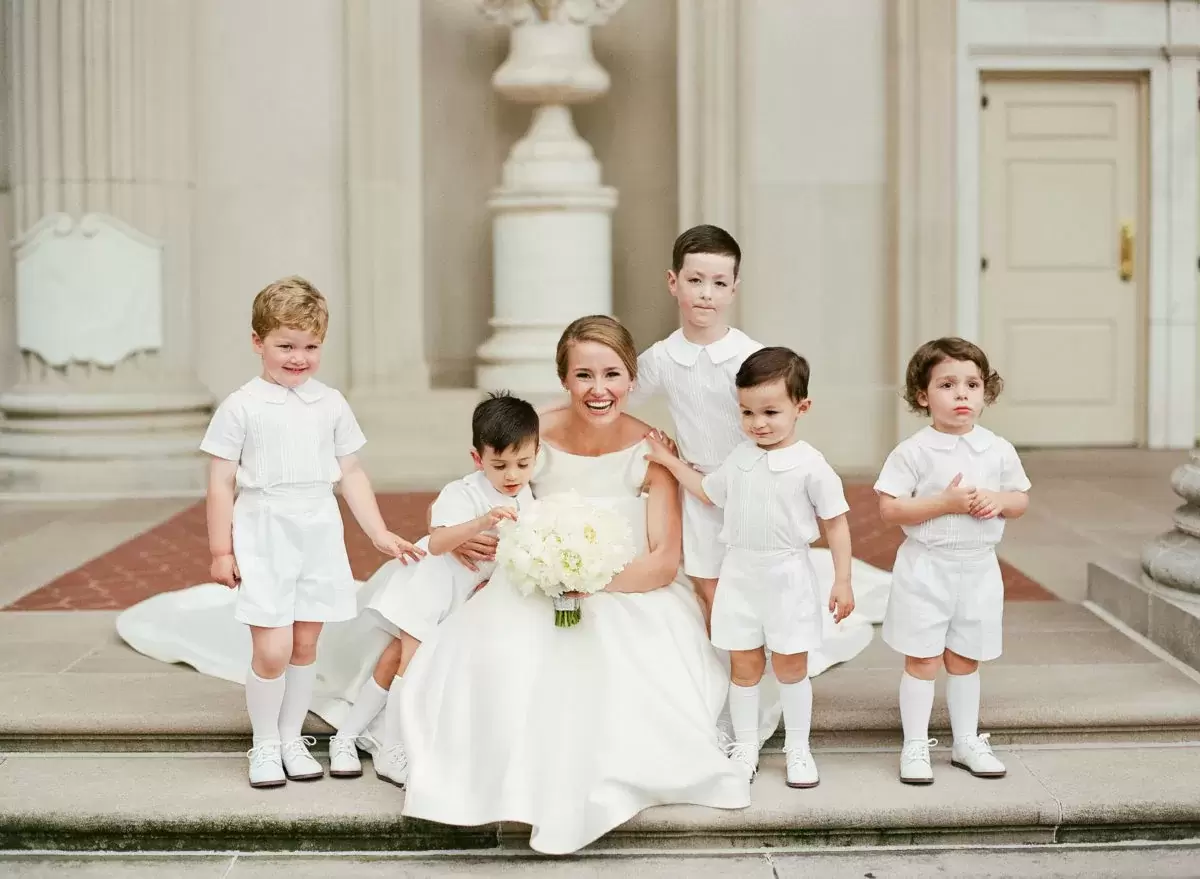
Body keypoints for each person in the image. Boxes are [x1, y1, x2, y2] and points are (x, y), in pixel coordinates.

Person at [396, 315, 754, 854]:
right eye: (583, 375)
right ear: (564, 378)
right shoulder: (532, 430)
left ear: (631, 378)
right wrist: (461, 534)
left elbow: (661, 562)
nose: (598, 389)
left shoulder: (652, 448)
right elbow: (479, 486)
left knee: (614, 659)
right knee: (497, 646)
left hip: (631, 588)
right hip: (534, 578)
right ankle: (497, 766)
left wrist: (589, 580)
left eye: (612, 374)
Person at [200, 275, 423, 789]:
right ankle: (264, 743)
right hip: (264, 529)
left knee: (305, 645)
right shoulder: (241, 406)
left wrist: (378, 533)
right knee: (272, 648)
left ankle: (291, 737)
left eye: (310, 346)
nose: (298, 358)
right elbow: (220, 482)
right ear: (258, 342)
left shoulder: (330, 403)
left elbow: (352, 473)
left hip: (317, 529)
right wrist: (220, 549)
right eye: (285, 346)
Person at [646, 347, 854, 790]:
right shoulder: (739, 458)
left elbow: (835, 522)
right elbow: (707, 491)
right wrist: (668, 462)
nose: (758, 422)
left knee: (791, 665)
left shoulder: (811, 465)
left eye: (771, 412)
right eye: (747, 412)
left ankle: (799, 749)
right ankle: (745, 745)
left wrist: (843, 579)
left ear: (802, 408)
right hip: (740, 575)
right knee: (743, 664)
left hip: (788, 576)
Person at [326, 393, 537, 785]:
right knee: (411, 662)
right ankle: (392, 749)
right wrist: (480, 523)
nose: (512, 475)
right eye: (500, 465)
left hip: (464, 592)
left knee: (393, 658)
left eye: (523, 464)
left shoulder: (526, 495)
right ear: (478, 459)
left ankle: (348, 735)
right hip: (430, 585)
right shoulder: (462, 492)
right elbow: (438, 542)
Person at [874, 337, 1031, 785]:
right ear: (923, 396)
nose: (962, 394)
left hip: (978, 568)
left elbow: (1019, 500)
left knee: (966, 657)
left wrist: (997, 499)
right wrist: (944, 503)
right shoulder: (914, 451)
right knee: (922, 657)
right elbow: (890, 509)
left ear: (986, 393)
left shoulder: (996, 449)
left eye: (972, 384)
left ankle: (965, 741)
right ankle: (915, 745)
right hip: (927, 567)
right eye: (947, 384)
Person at [629, 224, 763, 627]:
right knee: (708, 582)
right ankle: (722, 666)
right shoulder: (663, 357)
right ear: (674, 282)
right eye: (695, 280)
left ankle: (755, 666)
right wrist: (656, 446)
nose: (707, 293)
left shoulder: (751, 356)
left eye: (719, 283)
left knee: (752, 580)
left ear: (733, 289)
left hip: (750, 482)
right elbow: (617, 402)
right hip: (697, 482)